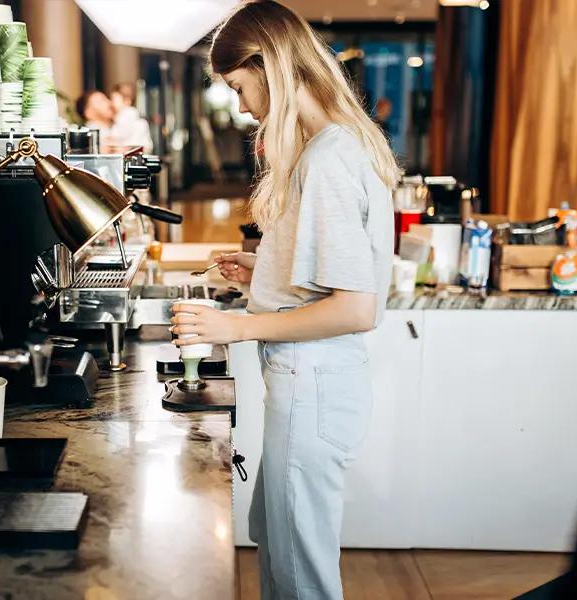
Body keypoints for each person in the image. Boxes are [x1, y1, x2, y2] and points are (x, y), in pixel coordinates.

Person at [170, 2, 397, 598]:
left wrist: (233, 327)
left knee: (300, 576)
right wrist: (265, 271)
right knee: (281, 548)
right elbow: (329, 282)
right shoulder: (338, 145)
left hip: (315, 385)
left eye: (241, 88)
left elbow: (356, 308)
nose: (242, 106)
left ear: (268, 65)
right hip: (312, 384)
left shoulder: (327, 158)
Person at [110, 82, 154, 153]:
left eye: (114, 99)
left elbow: (122, 134)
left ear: (127, 101)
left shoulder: (127, 113)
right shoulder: (128, 114)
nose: (112, 103)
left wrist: (109, 140)